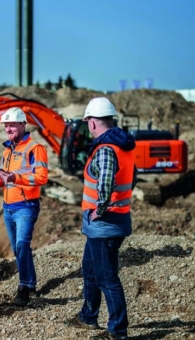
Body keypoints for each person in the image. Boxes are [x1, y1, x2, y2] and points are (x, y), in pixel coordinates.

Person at [65, 97, 137, 340]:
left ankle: (117, 331)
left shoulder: (105, 149)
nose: (87, 127)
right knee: (90, 269)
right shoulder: (122, 147)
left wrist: (101, 208)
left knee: (107, 279)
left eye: (88, 122)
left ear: (94, 122)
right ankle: (88, 315)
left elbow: (105, 182)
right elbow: (132, 178)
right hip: (110, 222)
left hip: (105, 224)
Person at [0, 107, 48, 307]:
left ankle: (24, 288)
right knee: (18, 248)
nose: (8, 129)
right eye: (6, 126)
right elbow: (5, 181)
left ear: (22, 124)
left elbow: (42, 177)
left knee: (22, 244)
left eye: (12, 125)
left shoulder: (35, 148)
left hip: (26, 206)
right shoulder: (7, 151)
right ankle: (31, 283)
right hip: (8, 206)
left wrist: (15, 177)